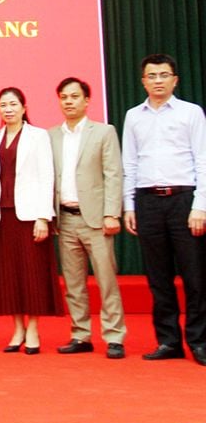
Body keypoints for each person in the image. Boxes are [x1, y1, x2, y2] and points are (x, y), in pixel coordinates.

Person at [122, 53, 206, 366]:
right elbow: (129, 161)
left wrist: (201, 205)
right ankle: (168, 341)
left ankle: (199, 341)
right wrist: (129, 204)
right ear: (143, 81)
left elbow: (203, 159)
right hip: (147, 202)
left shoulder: (191, 113)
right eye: (152, 76)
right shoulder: (134, 116)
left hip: (184, 200)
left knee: (195, 277)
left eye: (163, 75)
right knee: (158, 278)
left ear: (175, 79)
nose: (158, 81)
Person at [49, 77, 127, 359]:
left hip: (96, 219)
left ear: (86, 100)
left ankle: (114, 336)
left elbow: (113, 174)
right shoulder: (52, 135)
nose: (68, 101)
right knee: (73, 283)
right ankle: (80, 334)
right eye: (63, 97)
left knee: (106, 280)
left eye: (74, 96)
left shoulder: (103, 132)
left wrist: (111, 213)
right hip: (65, 219)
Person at [0, 87, 64, 354]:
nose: (8, 109)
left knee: (31, 275)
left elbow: (47, 177)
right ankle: (17, 329)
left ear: (24, 106)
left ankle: (33, 330)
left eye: (13, 104)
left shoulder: (38, 136)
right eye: (3, 105)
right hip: (3, 216)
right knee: (9, 276)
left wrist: (44, 216)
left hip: (30, 216)